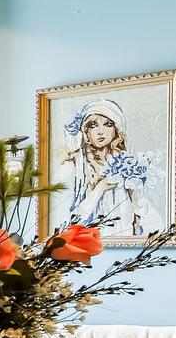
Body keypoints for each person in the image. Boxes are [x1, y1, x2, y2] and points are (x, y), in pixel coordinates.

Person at [60, 96, 159, 237]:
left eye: (108, 124)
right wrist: (100, 188)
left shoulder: (125, 165)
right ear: (86, 131)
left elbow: (145, 215)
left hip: (124, 242)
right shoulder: (74, 168)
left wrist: (137, 199)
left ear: (116, 129)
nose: (101, 131)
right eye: (94, 125)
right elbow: (65, 225)